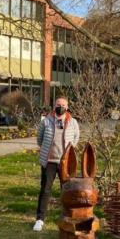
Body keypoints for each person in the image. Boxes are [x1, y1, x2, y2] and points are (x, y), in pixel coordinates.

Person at [34, 96, 80, 231]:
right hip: (49, 162)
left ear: (67, 107)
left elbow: (76, 136)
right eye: (58, 104)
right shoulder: (46, 121)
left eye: (63, 105)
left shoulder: (73, 122)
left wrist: (70, 150)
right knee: (45, 190)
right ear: (54, 106)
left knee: (66, 191)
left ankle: (67, 216)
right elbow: (39, 138)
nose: (61, 107)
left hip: (65, 162)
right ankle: (40, 219)